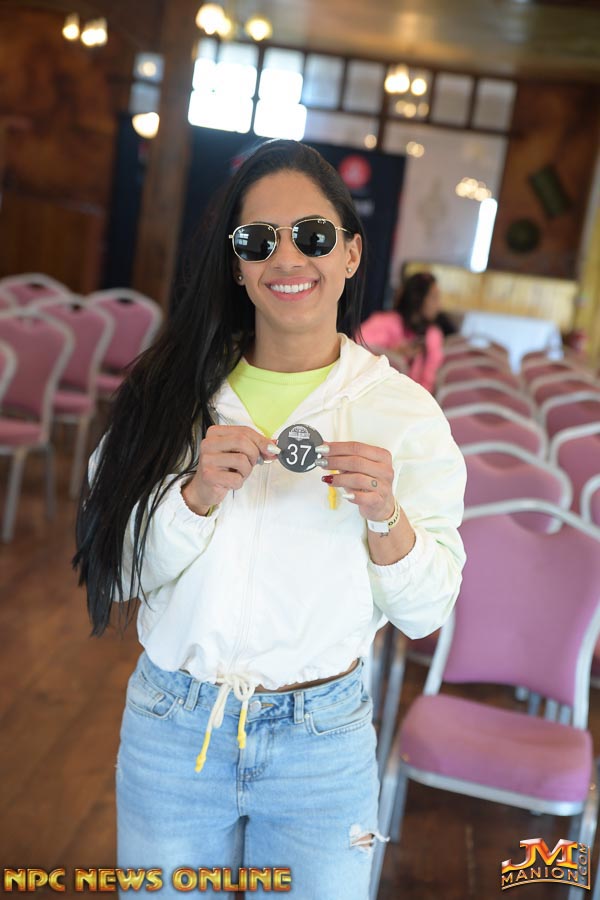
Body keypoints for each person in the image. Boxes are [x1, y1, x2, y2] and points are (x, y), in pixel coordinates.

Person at [72, 139, 466, 899]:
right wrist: (193, 496)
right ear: (236, 264)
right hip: (174, 728)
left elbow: (426, 613)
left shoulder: (404, 415)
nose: (288, 258)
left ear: (351, 254)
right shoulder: (167, 394)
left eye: (313, 235)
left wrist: (386, 515)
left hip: (324, 745)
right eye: (259, 240)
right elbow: (112, 569)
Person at [358, 271, 445, 391]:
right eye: (434, 298)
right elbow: (355, 350)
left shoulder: (432, 336)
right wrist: (392, 354)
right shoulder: (386, 323)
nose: (439, 305)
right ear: (417, 298)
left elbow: (427, 384)